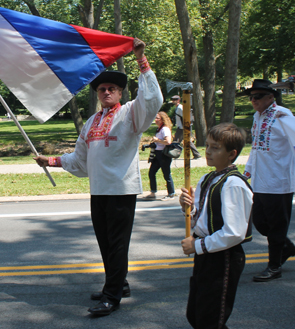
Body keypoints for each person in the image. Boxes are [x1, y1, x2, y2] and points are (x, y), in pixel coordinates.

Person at [34, 38, 163, 316]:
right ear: (97, 93)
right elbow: (80, 161)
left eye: (112, 88)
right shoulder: (91, 122)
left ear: (119, 93)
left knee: (117, 245)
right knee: (106, 243)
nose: (106, 91)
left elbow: (152, 100)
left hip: (121, 190)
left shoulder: (131, 114)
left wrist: (141, 59)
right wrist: (51, 161)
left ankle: (111, 297)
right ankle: (118, 283)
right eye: (102, 88)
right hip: (99, 191)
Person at [179, 123, 253, 329]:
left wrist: (198, 246)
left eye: (216, 148)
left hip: (224, 257)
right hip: (206, 253)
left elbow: (234, 233)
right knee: (195, 314)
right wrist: (189, 209)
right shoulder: (207, 179)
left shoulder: (234, 184)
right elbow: (202, 220)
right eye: (208, 146)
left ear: (232, 154)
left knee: (210, 319)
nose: (208, 151)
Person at [243, 79, 295, 282]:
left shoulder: (283, 116)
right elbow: (256, 149)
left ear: (270, 97)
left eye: (258, 96)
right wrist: (247, 173)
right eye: (251, 97)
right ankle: (287, 247)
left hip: (278, 181)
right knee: (260, 222)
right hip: (260, 180)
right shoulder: (257, 117)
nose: (253, 100)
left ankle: (274, 266)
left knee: (276, 226)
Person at [144, 111, 176, 200]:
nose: (156, 120)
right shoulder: (159, 129)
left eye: (158, 118)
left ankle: (171, 194)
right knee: (151, 172)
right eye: (156, 118)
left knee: (166, 174)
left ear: (162, 119)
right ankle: (153, 193)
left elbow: (168, 141)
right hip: (157, 154)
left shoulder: (165, 129)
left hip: (164, 155)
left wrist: (157, 140)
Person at [171, 95, 201, 159]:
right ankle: (196, 154)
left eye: (175, 99)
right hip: (181, 127)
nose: (173, 101)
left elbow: (187, 117)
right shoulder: (178, 107)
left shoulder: (180, 108)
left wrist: (187, 126)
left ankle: (173, 154)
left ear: (178, 100)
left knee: (176, 141)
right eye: (173, 100)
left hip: (182, 127)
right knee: (185, 141)